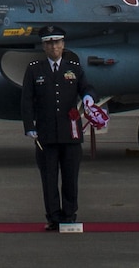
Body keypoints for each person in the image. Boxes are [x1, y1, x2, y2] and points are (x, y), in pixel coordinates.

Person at [19, 27, 88, 228]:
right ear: (44, 46)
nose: (54, 46)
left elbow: (86, 87)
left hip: (70, 133)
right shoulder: (34, 69)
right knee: (49, 179)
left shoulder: (74, 68)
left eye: (57, 42)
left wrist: (90, 98)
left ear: (63, 44)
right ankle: (53, 217)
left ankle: (69, 215)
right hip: (46, 134)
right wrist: (29, 126)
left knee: (70, 177)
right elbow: (27, 101)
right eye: (49, 43)